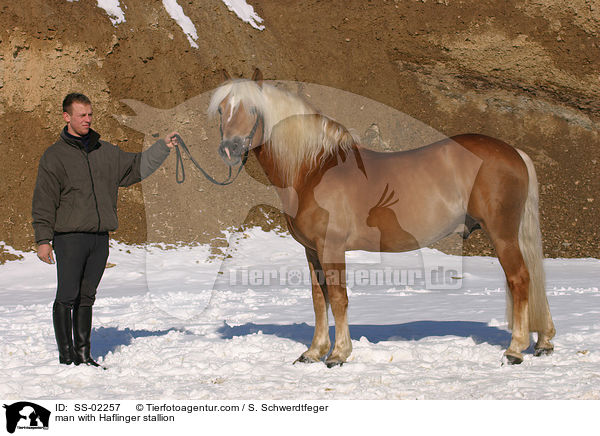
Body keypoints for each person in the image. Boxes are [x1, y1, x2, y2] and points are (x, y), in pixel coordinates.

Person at [32, 93, 178, 368]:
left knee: (87, 296)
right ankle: (67, 358)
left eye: (89, 114)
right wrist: (43, 239)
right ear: (66, 117)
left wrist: (162, 147)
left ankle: (84, 355)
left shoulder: (106, 152)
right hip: (69, 238)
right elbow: (43, 200)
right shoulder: (54, 157)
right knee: (67, 296)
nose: (87, 119)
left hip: (100, 238)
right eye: (81, 115)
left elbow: (136, 167)